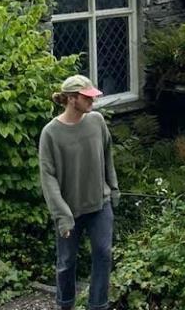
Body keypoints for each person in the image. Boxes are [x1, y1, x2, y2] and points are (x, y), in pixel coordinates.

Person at [38, 74, 120, 310]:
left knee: (103, 254)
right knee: (66, 262)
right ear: (72, 99)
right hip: (69, 211)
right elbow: (48, 178)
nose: (92, 101)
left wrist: (113, 190)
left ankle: (98, 306)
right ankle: (65, 305)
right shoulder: (50, 134)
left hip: (99, 204)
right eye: (87, 97)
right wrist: (62, 216)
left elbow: (107, 157)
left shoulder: (97, 122)